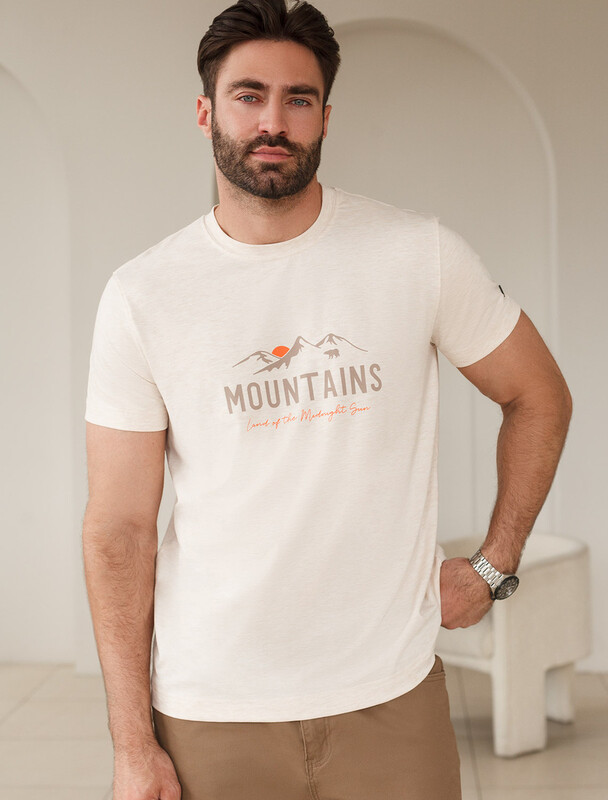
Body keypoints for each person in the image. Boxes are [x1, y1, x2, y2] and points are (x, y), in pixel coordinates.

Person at [82, 1, 572, 798]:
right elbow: (120, 530)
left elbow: (539, 394)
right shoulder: (143, 296)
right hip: (213, 705)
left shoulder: (417, 254)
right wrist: (132, 742)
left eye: (298, 99)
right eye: (248, 95)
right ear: (206, 112)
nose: (272, 121)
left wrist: (493, 567)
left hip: (391, 693)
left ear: (325, 118)